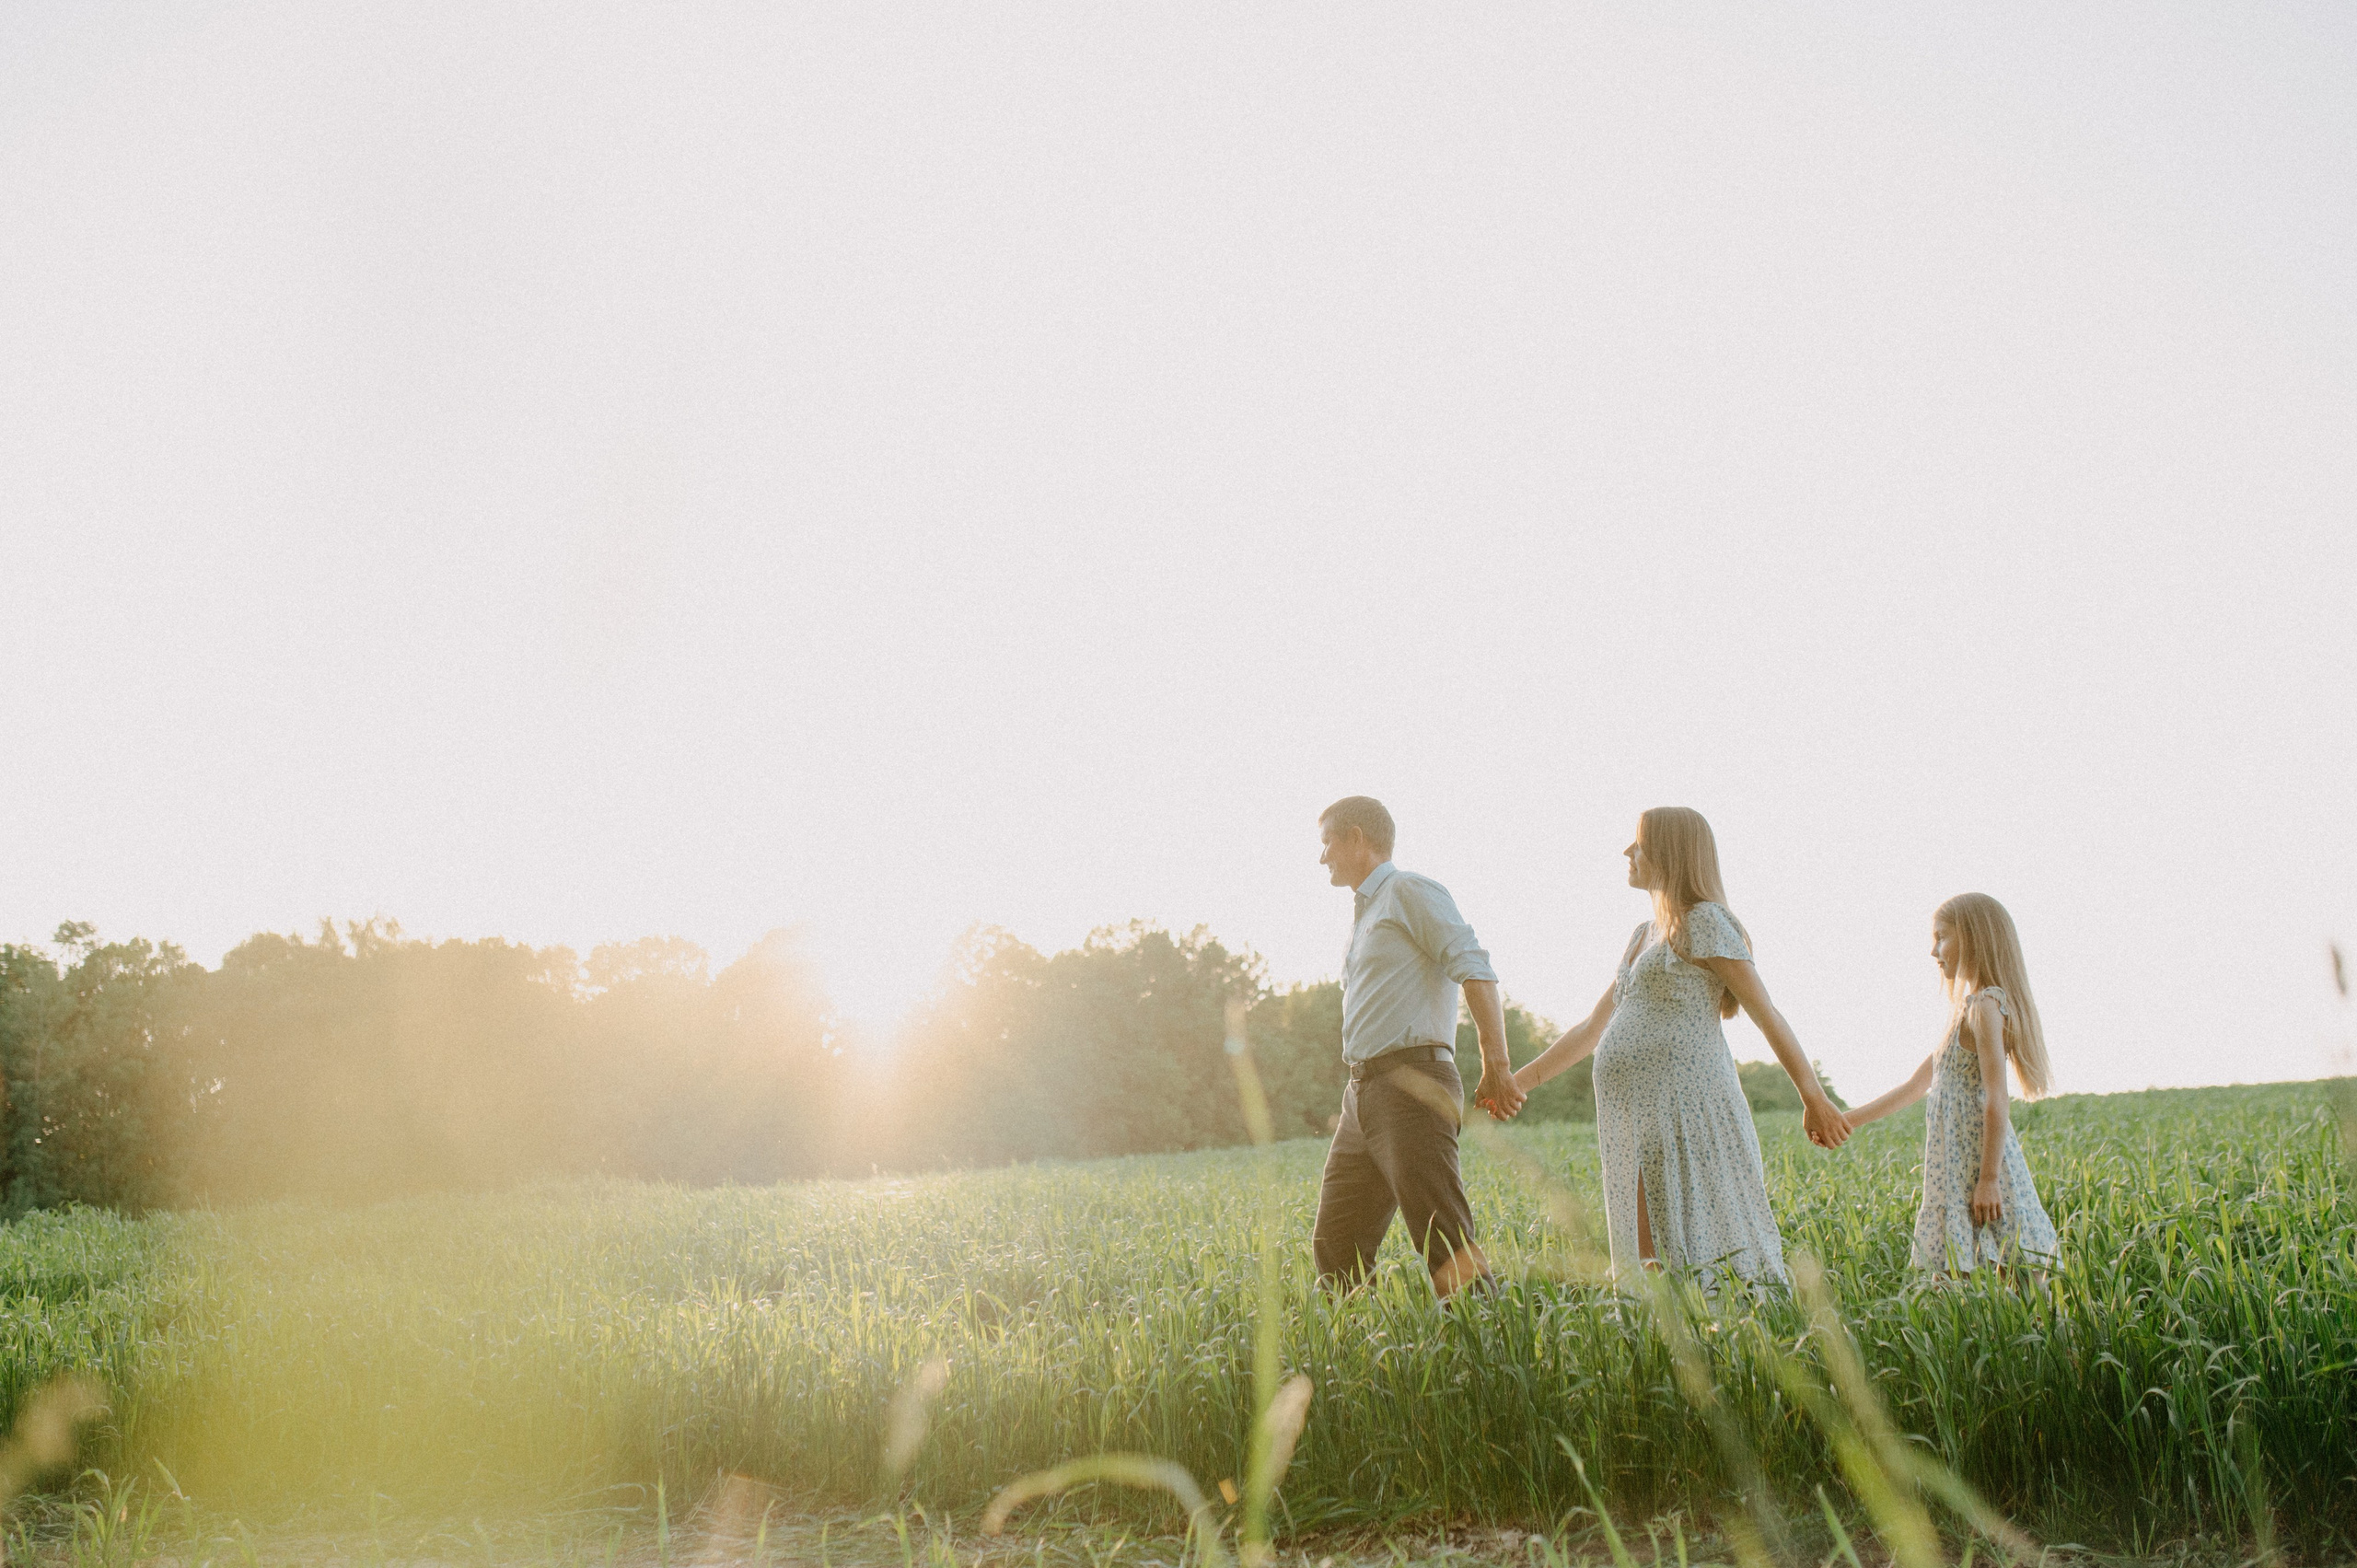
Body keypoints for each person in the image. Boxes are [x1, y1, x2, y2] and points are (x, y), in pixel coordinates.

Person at [1512, 807, 1845, 1293]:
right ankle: (1667, 1343)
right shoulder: (1641, 937)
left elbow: (1765, 1011)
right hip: (1637, 1115)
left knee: (1697, 1236)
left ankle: (1730, 1338)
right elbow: (1590, 1029)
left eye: (1639, 843)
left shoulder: (1704, 921)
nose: (1628, 852)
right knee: (1649, 1247)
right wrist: (1517, 1083)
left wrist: (1812, 1097)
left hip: (1688, 1108)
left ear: (1670, 853)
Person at [1311, 796, 1524, 1297]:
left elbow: (1475, 968)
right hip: (1362, 1092)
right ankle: (1366, 1357)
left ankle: (1489, 1352)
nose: (1322, 858)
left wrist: (1498, 1064)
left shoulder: (1409, 891)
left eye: (1327, 844)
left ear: (1357, 837)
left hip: (1412, 1085)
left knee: (1442, 1239)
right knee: (1337, 1241)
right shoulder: (1366, 913)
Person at [1840, 893, 2058, 1277]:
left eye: (1941, 937)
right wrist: (1845, 1121)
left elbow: (1995, 1097)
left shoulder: (1985, 1007)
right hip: (1956, 1167)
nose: (1933, 950)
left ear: (1973, 938)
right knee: (1971, 1275)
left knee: (2015, 1272)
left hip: (1981, 1164)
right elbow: (1913, 1088)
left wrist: (1988, 1178)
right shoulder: (1965, 1011)